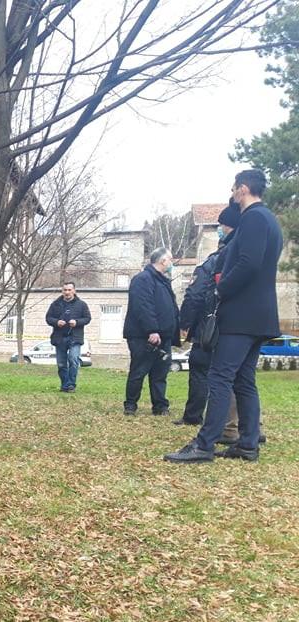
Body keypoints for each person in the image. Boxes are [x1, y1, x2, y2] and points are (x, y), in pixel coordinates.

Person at [165, 169, 283, 463]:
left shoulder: (254, 218)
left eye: (234, 189)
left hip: (241, 315)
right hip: (259, 315)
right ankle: (247, 444)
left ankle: (204, 445)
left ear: (242, 189)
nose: (232, 194)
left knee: (219, 376)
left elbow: (248, 263)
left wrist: (220, 291)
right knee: (244, 379)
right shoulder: (270, 220)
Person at [175, 200, 237, 427]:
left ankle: (194, 416)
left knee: (200, 370)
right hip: (234, 328)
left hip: (208, 328)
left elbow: (194, 295)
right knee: (235, 377)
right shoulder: (241, 258)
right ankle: (240, 424)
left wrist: (185, 324)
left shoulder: (211, 264)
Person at [122, 247, 180, 416]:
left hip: (164, 337)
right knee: (139, 370)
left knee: (160, 373)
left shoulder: (164, 281)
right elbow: (143, 306)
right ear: (163, 261)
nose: (171, 263)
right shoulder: (143, 279)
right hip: (143, 336)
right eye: (170, 259)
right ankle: (131, 404)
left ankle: (160, 406)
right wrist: (152, 330)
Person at [45, 281, 91, 393]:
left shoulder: (82, 305)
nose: (67, 292)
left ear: (74, 291)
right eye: (65, 290)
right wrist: (56, 322)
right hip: (59, 338)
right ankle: (65, 385)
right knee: (61, 364)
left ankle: (71, 385)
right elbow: (48, 318)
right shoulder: (55, 304)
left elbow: (87, 318)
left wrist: (77, 322)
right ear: (62, 291)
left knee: (73, 360)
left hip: (75, 338)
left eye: (69, 290)